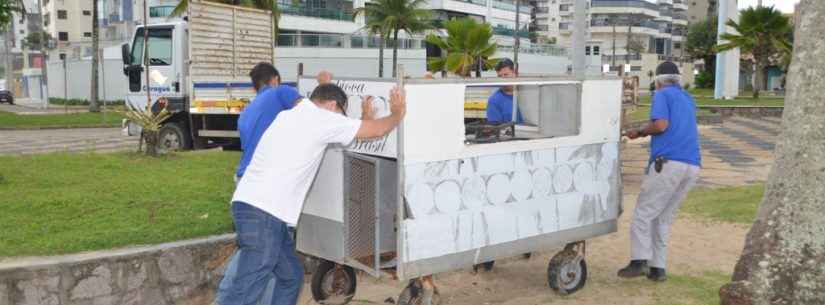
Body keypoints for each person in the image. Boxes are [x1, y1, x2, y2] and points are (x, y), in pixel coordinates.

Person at [216, 83, 406, 305]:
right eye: (342, 114)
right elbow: (376, 130)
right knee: (246, 287)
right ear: (334, 105)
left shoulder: (290, 116)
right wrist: (396, 114)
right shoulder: (321, 120)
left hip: (256, 209)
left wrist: (363, 117)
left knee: (290, 278)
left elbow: (352, 133)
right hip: (264, 213)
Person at [618, 61, 701, 282]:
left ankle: (639, 261)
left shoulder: (663, 95)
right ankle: (658, 269)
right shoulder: (687, 98)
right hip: (692, 165)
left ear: (658, 81)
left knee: (643, 213)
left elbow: (661, 125)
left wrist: (640, 131)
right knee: (663, 217)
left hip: (668, 163)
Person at [235, 63, 303, 182]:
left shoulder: (246, 111)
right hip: (266, 176)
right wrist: (324, 86)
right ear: (275, 79)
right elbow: (310, 113)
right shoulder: (280, 91)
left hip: (243, 177)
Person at [486, 58, 523, 124]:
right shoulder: (494, 101)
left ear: (516, 74)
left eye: (506, 75)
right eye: (499, 76)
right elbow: (495, 129)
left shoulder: (526, 92)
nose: (503, 79)